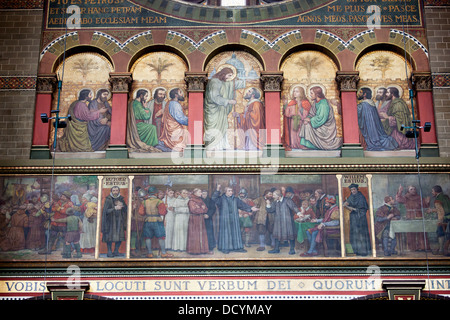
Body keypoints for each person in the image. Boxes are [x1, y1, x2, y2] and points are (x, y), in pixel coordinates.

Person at [204, 66, 245, 150]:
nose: (230, 78)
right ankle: (214, 146)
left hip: (221, 110)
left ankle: (222, 145)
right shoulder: (215, 82)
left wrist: (238, 78)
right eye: (229, 75)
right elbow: (214, 96)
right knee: (215, 128)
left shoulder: (225, 82)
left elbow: (239, 84)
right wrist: (228, 101)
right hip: (214, 110)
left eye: (231, 76)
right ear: (223, 74)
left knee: (223, 126)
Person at [212, 184, 259, 254]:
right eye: (229, 191)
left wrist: (251, 208)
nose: (231, 192)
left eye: (231, 191)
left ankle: (237, 247)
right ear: (225, 192)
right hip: (225, 220)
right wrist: (217, 190)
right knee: (226, 233)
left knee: (235, 232)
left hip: (234, 218)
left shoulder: (235, 199)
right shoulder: (221, 199)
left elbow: (243, 206)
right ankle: (225, 248)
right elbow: (214, 199)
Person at [299, 86, 342, 150]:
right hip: (318, 123)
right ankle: (308, 144)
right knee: (305, 123)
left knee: (307, 125)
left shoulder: (323, 104)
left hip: (325, 128)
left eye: (311, 93)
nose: (310, 95)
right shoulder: (315, 103)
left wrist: (310, 120)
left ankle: (312, 145)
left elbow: (321, 118)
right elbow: (311, 113)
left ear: (316, 94)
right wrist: (307, 118)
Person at [139, 187, 173, 258]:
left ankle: (149, 253)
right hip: (157, 220)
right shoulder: (159, 202)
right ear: (156, 193)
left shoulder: (144, 202)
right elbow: (162, 212)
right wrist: (165, 208)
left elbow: (141, 212)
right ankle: (163, 253)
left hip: (148, 220)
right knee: (161, 237)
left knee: (148, 237)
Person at [266, 189, 301, 255]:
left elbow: (294, 207)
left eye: (274, 195)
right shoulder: (275, 202)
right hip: (278, 222)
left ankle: (292, 249)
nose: (272, 196)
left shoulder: (287, 200)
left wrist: (299, 213)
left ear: (279, 195)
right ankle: (276, 249)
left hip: (287, 221)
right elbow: (270, 210)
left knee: (290, 235)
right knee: (277, 235)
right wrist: (268, 204)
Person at [396, 184, 430, 252]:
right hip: (410, 215)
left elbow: (424, 205)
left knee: (421, 231)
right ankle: (412, 248)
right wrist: (399, 191)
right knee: (411, 231)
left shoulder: (419, 197)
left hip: (419, 215)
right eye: (411, 189)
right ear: (408, 191)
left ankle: (422, 247)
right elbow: (398, 199)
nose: (413, 190)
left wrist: (427, 202)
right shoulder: (406, 197)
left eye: (414, 189)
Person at [344, 184, 371, 256]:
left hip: (360, 218)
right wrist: (345, 204)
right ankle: (356, 251)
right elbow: (347, 203)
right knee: (354, 233)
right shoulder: (351, 196)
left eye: (354, 189)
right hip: (353, 218)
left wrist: (349, 207)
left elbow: (361, 210)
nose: (353, 191)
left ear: (357, 189)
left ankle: (363, 251)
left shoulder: (361, 197)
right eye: (351, 190)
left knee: (360, 234)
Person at [101, 186, 127, 258]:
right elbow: (105, 211)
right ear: (111, 191)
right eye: (114, 190)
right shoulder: (108, 199)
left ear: (119, 191)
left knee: (119, 236)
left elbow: (126, 210)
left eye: (116, 190)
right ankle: (109, 251)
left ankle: (116, 251)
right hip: (110, 222)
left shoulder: (121, 199)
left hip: (119, 221)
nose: (115, 192)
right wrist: (114, 208)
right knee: (109, 237)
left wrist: (123, 206)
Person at [283, 86, 311, 150]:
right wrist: (285, 104)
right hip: (293, 121)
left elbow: (308, 113)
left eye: (297, 91)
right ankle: (293, 145)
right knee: (293, 134)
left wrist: (300, 107)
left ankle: (302, 145)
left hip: (302, 121)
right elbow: (287, 113)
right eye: (294, 91)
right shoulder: (292, 102)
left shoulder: (305, 102)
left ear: (301, 93)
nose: (295, 93)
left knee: (300, 134)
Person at [427, 185, 450, 255]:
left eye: (432, 191)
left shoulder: (437, 200)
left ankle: (441, 249)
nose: (432, 193)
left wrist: (440, 221)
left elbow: (441, 212)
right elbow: (443, 208)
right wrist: (432, 210)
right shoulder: (446, 197)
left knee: (440, 233)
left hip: (445, 219)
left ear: (436, 192)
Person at [186, 188, 210, 254]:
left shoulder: (200, 200)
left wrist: (200, 209)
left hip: (200, 219)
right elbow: (193, 210)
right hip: (194, 219)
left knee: (202, 234)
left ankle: (203, 250)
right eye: (200, 192)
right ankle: (194, 250)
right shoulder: (191, 201)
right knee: (195, 234)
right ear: (195, 193)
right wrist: (201, 209)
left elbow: (206, 209)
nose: (201, 193)